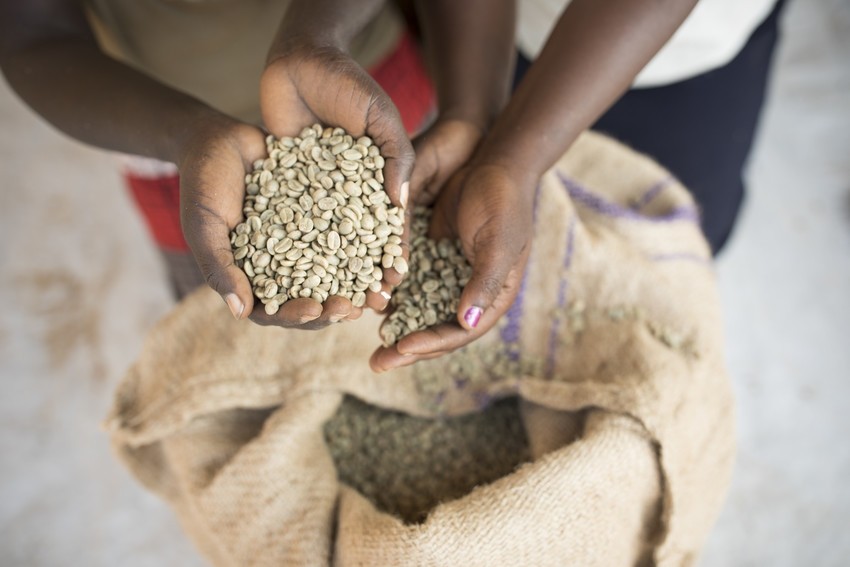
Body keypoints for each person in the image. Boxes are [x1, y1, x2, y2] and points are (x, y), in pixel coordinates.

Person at [0, 0, 781, 373]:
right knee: (224, 306)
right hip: (412, 45)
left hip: (671, 38)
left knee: (677, 214)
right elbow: (26, 31)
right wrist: (477, 115)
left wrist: (512, 151)